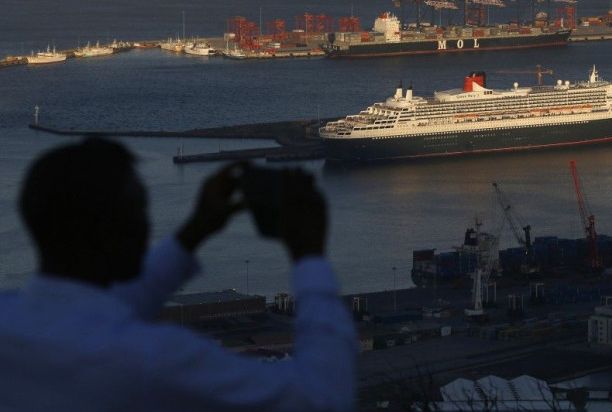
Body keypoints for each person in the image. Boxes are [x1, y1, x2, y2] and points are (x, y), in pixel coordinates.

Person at [0, 137, 356, 412]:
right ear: (111, 233)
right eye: (140, 209)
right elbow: (323, 394)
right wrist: (309, 256)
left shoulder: (9, 319)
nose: (147, 224)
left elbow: (96, 315)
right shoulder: (154, 358)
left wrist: (196, 230)